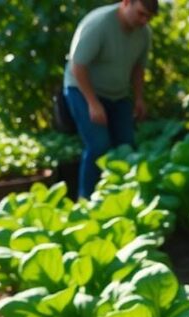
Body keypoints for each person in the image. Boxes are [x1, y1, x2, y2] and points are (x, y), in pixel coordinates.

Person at [63, 0, 157, 199]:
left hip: (117, 94)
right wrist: (93, 103)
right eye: (141, 14)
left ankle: (118, 198)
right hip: (82, 89)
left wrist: (139, 98)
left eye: (148, 17)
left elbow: (138, 68)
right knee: (98, 145)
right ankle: (85, 201)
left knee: (126, 146)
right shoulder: (99, 24)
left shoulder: (144, 32)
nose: (144, 20)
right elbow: (78, 66)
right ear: (126, 3)